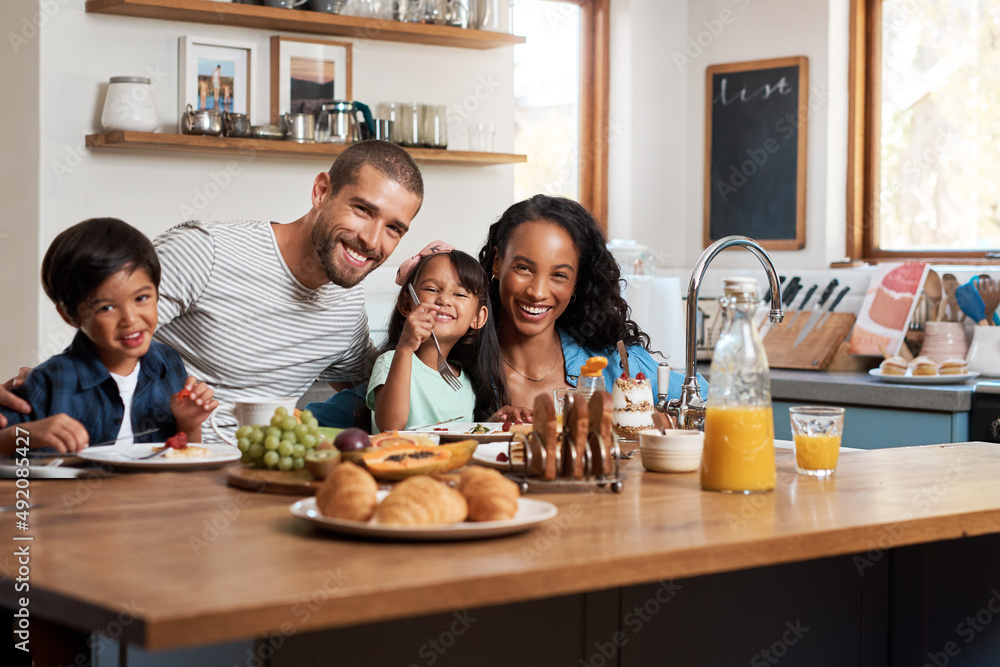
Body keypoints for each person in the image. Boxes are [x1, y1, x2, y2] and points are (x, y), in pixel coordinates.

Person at [0, 141, 425, 441]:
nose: (372, 239)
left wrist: (438, 287)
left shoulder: (346, 304)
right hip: (159, 466)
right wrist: (37, 388)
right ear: (321, 191)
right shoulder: (208, 250)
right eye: (363, 210)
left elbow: (384, 393)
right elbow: (104, 321)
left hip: (259, 482)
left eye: (393, 228)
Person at [0, 218, 217, 457]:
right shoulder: (51, 380)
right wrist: (24, 435)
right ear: (71, 316)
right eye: (106, 308)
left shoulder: (169, 364)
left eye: (141, 298)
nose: (130, 319)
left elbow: (182, 455)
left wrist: (188, 423)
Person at [478, 194, 705, 418]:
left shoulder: (619, 364)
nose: (537, 293)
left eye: (559, 275)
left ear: (577, 282)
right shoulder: (461, 371)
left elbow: (713, 408)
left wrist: (665, 421)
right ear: (497, 262)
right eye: (523, 268)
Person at [366, 248, 506, 432]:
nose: (444, 300)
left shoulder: (467, 380)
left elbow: (461, 437)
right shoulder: (392, 361)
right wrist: (405, 348)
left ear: (478, 318)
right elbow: (390, 428)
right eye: (432, 289)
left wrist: (493, 424)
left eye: (460, 294)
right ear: (407, 304)